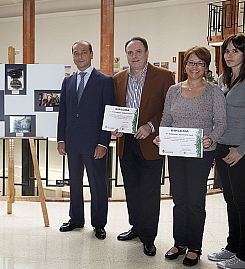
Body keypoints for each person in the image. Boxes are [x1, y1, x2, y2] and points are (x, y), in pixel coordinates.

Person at [153, 46, 226, 266]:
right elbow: (166, 119)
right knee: (179, 200)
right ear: (185, 66)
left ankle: (195, 246)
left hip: (201, 153)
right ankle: (180, 242)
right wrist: (160, 136)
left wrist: (211, 139)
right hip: (175, 152)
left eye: (200, 63)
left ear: (206, 67)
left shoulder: (214, 91)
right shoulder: (174, 90)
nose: (195, 67)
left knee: (195, 201)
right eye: (191, 63)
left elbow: (221, 123)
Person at [112, 37, 175, 256]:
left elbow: (169, 108)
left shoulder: (165, 76)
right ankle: (136, 227)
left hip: (151, 142)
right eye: (130, 52)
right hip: (126, 143)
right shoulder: (118, 79)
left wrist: (150, 126)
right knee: (132, 189)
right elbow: (116, 109)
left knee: (149, 192)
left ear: (147, 53)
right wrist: (116, 127)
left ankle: (149, 237)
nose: (134, 56)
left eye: (138, 51)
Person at [56, 40, 114, 239]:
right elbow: (63, 112)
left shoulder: (105, 81)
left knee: (98, 184)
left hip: (94, 143)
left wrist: (103, 142)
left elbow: (108, 114)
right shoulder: (68, 82)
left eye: (83, 52)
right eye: (75, 53)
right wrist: (61, 139)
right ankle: (76, 219)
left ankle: (98, 223)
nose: (79, 56)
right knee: (74, 183)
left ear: (91, 54)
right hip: (72, 142)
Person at [208, 34, 245, 269]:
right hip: (223, 147)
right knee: (230, 201)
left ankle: (243, 255)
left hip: (240, 151)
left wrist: (242, 150)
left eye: (235, 51)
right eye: (227, 51)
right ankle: (232, 246)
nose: (229, 55)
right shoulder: (224, 80)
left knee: (242, 203)